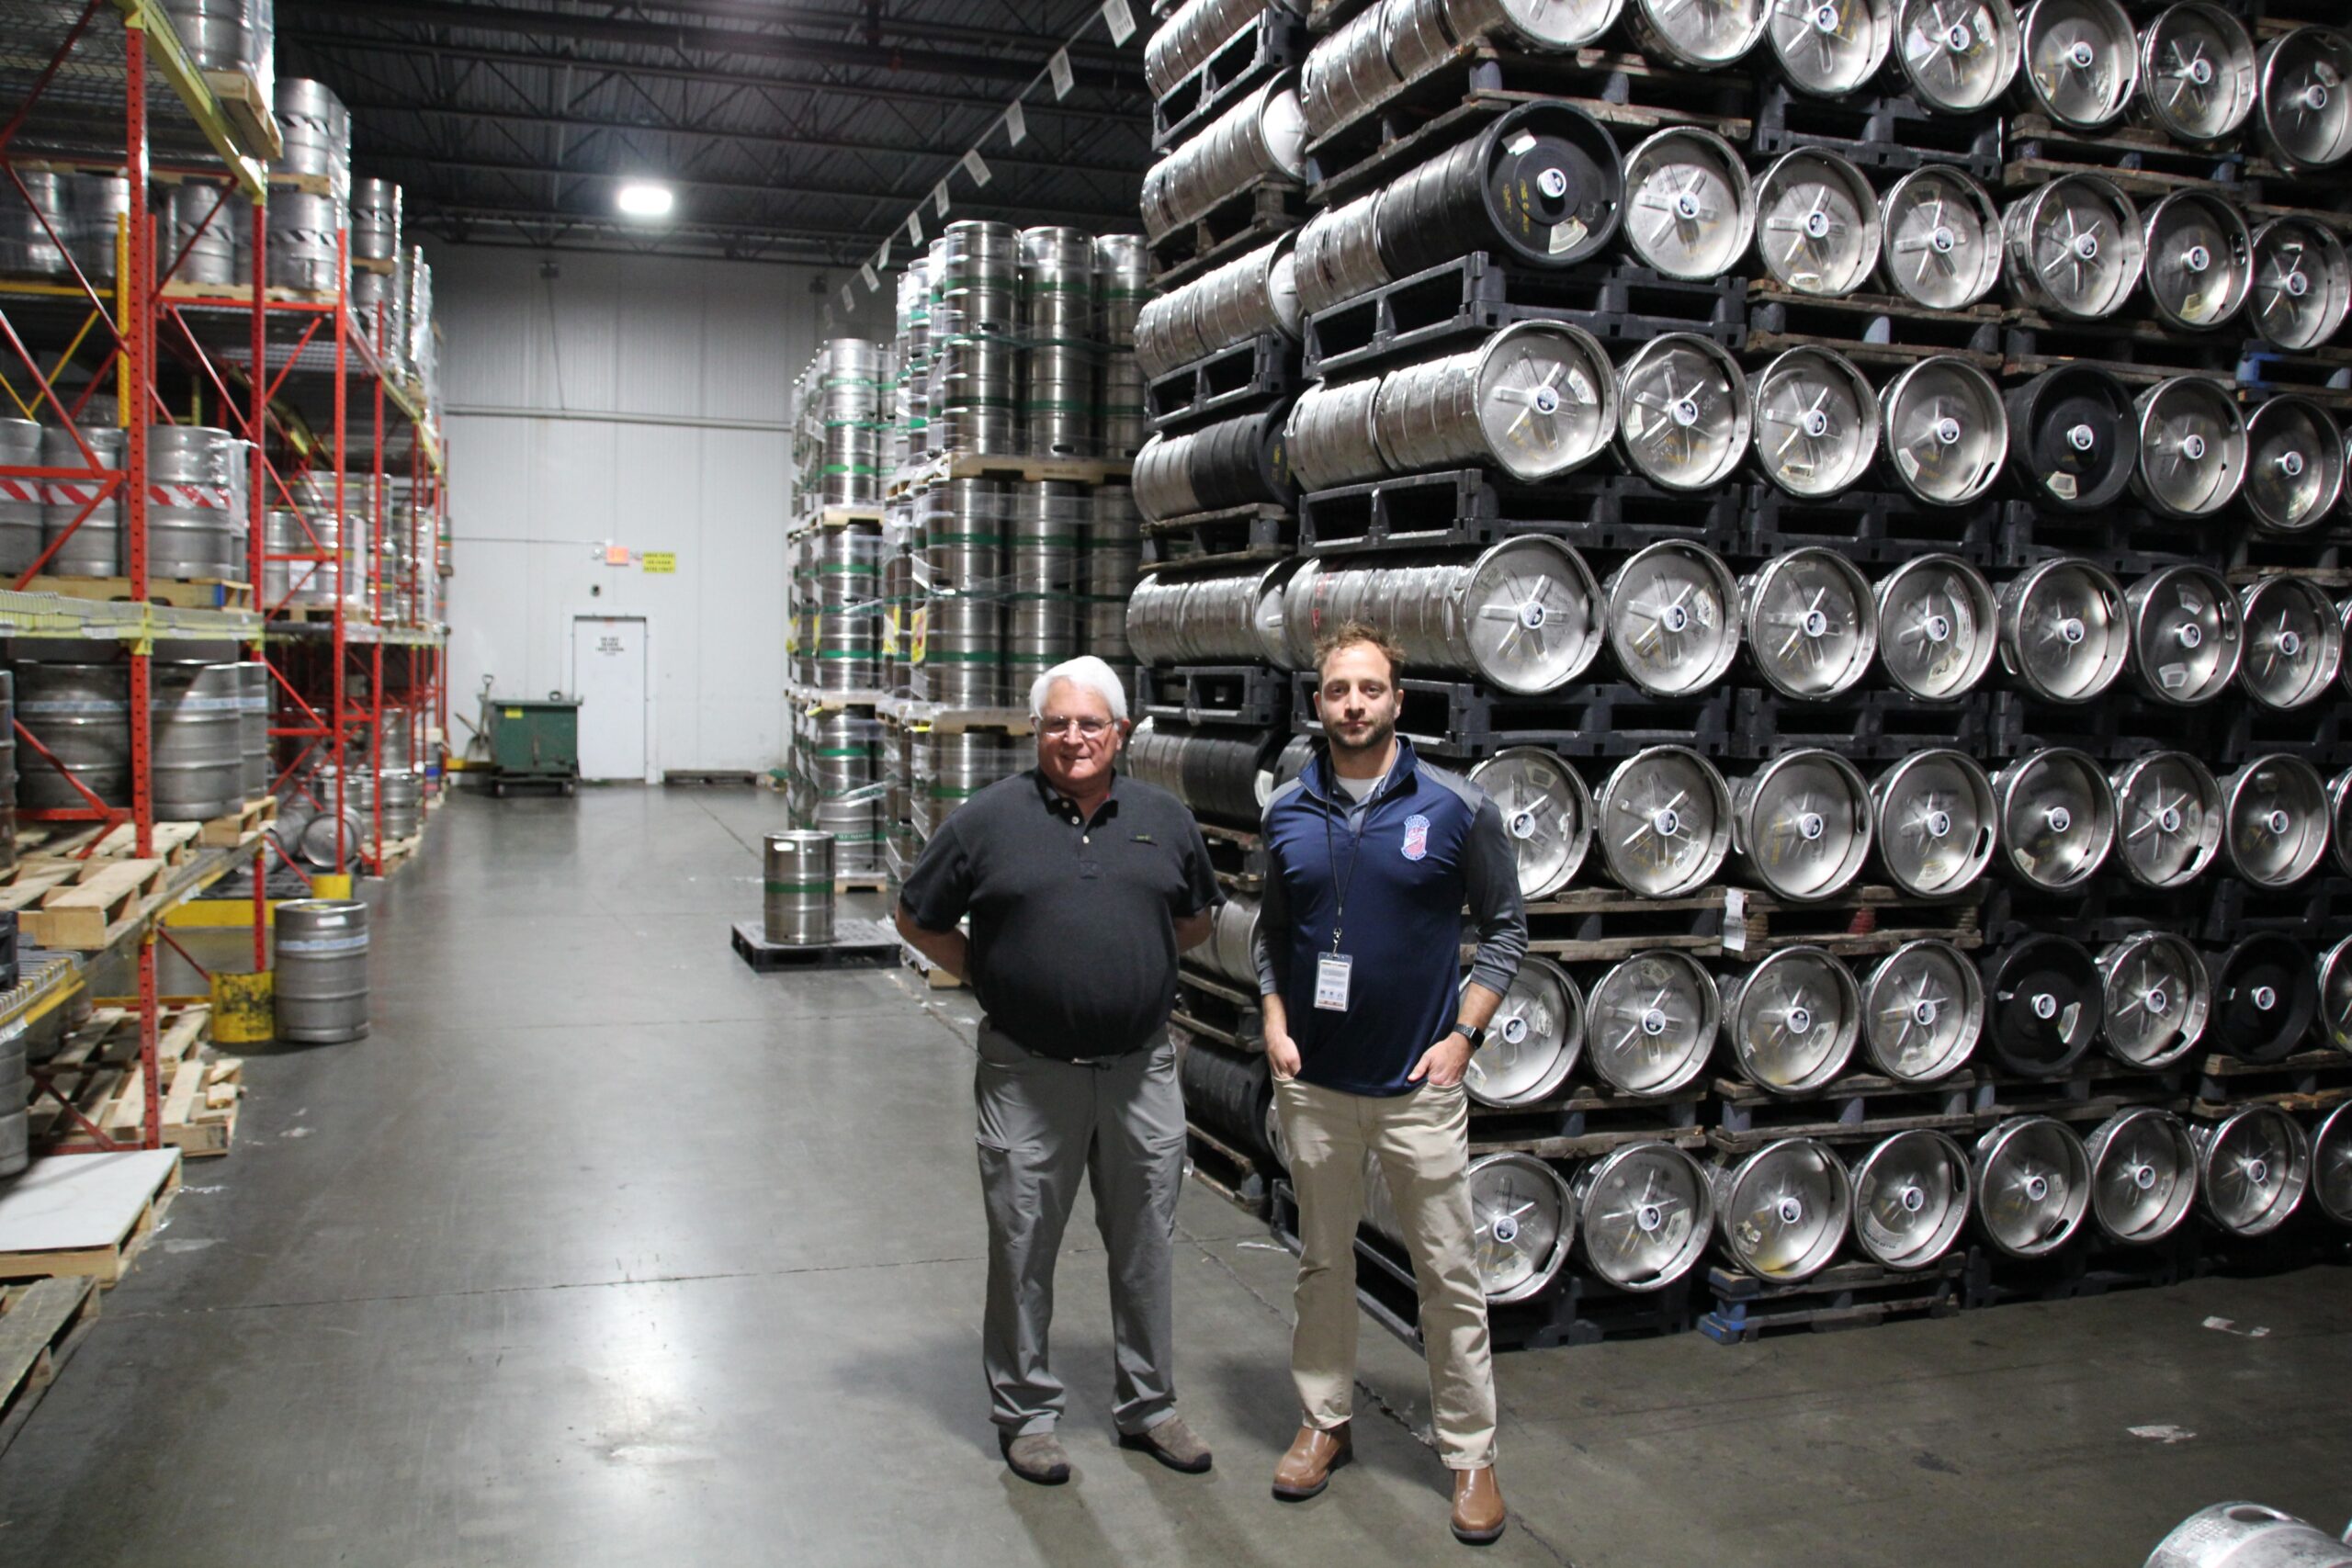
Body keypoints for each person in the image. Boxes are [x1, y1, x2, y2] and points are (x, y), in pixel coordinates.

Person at [896, 654, 1223, 1486]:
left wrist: (1123, 970)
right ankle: (1027, 1414)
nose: (1073, 738)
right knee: (1022, 1243)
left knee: (1147, 1240)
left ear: (1121, 732)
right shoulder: (987, 819)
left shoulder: (1165, 818)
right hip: (1027, 1072)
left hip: (1140, 1071)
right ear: (1035, 728)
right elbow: (915, 913)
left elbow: (1190, 921)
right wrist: (988, 972)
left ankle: (1150, 1406)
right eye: (1056, 722)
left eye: (1090, 723)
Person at [1253, 621, 1528, 1546]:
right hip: (1317, 1084)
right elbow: (1271, 932)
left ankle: (1470, 1453)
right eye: (1337, 690)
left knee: (1447, 1272)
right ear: (1317, 703)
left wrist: (1463, 1036)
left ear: (1397, 701)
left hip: (1418, 1087)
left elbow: (1506, 930)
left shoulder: (1456, 805)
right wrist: (1271, 1014)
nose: (1354, 705)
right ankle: (1324, 1422)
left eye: (1369, 689)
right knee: (1322, 1263)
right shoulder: (1287, 808)